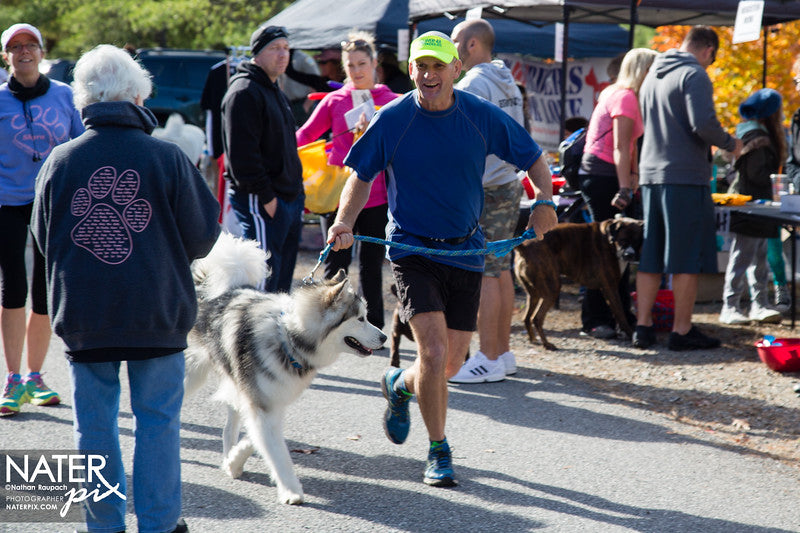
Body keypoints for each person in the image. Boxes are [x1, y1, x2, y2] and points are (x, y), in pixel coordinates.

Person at [327, 31, 557, 487]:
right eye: (421, 67)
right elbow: (361, 175)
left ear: (456, 69)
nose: (429, 75)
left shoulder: (480, 116)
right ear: (411, 70)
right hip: (413, 250)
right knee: (431, 353)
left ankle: (397, 385)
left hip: (466, 250)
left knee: (448, 365)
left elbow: (534, 159)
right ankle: (439, 450)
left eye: (438, 67)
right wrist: (342, 222)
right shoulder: (393, 118)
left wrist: (545, 199)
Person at [31, 44, 220, 533]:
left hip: (85, 313)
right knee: (157, 422)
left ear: (83, 100)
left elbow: (41, 238)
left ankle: (104, 526)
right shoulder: (167, 158)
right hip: (156, 309)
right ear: (139, 95)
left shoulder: (59, 161)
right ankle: (159, 525)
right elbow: (203, 236)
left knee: (94, 426)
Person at [634, 26, 742, 351]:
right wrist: (730, 144)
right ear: (708, 50)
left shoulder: (653, 73)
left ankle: (643, 327)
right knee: (686, 256)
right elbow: (703, 123)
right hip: (684, 177)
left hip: (651, 174)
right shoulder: (694, 74)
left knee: (651, 253)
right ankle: (681, 331)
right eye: (712, 59)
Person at [0, 23, 83, 416]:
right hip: (8, 203)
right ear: (6, 57)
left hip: (52, 204)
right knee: (13, 287)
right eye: (15, 47)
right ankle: (12, 379)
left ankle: (36, 376)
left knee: (45, 291)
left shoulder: (65, 95)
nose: (23, 51)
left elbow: (81, 144)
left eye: (30, 45)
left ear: (42, 52)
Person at [296, 32, 398, 329]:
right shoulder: (334, 100)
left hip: (376, 194)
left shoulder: (391, 101)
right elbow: (304, 137)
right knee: (336, 262)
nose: (356, 71)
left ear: (375, 63)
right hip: (338, 195)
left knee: (370, 266)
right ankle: (329, 323)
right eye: (350, 65)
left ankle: (374, 324)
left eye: (362, 63)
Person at [447, 18, 524, 383]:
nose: (451, 45)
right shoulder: (505, 77)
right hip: (508, 182)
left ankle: (488, 357)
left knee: (486, 273)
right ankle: (503, 353)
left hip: (488, 187)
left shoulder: (473, 83)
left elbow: (460, 137)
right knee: (501, 268)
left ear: (473, 44)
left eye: (455, 39)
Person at [576, 48, 657, 339]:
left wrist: (632, 178)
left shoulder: (618, 93)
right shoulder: (624, 97)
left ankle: (619, 315)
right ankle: (596, 319)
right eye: (653, 70)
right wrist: (626, 187)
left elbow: (629, 145)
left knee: (618, 251)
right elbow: (621, 146)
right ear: (642, 71)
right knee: (607, 252)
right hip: (604, 176)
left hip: (606, 173)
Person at [222, 25, 304, 292]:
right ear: (257, 53)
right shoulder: (244, 92)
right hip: (264, 201)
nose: (282, 55)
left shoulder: (273, 89)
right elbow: (242, 158)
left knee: (280, 287)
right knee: (262, 284)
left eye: (286, 48)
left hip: (288, 200)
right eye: (274, 48)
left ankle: (276, 335)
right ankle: (253, 336)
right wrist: (268, 199)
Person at [719, 89, 785, 325]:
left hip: (753, 205)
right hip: (753, 206)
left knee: (756, 257)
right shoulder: (760, 139)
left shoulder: (746, 134)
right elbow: (757, 175)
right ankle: (731, 306)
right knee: (745, 256)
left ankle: (759, 304)